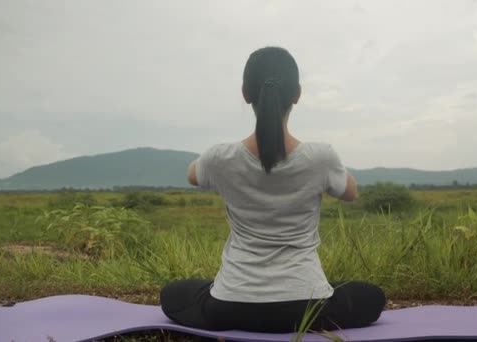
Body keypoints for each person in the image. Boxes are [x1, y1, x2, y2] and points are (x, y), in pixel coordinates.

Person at [160, 46, 386, 333]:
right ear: (297, 94)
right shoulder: (321, 157)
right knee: (372, 296)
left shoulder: (220, 157)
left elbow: (192, 175)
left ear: (245, 93)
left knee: (173, 294)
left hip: (229, 306)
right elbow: (351, 192)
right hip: (307, 305)